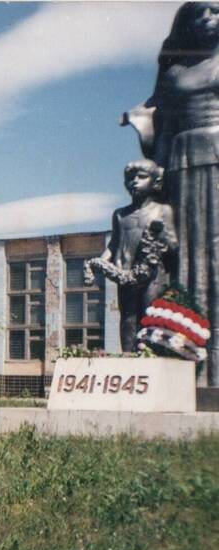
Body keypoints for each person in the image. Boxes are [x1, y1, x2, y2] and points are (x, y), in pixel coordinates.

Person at [123, 1, 219, 383]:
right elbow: (161, 125)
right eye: (202, 13)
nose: (210, 19)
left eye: (217, 11)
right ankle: (193, 366)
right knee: (187, 256)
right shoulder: (175, 69)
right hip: (181, 162)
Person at [91, 160, 177, 351]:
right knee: (128, 318)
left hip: (153, 275)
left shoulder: (162, 210)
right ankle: (128, 358)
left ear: (156, 182)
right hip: (125, 275)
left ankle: (150, 357)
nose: (135, 181)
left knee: (150, 316)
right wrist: (99, 262)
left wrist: (159, 237)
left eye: (141, 177)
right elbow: (113, 244)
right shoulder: (120, 214)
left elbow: (173, 245)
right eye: (131, 178)